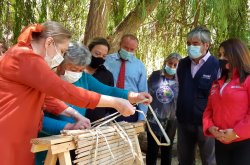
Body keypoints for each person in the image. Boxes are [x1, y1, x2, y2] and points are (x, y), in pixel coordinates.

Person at [0, 22, 140, 165]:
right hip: (9, 131)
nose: (61, 56)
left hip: (20, 133)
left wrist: (76, 115)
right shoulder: (25, 57)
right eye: (61, 51)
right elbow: (65, 90)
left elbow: (48, 99)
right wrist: (115, 103)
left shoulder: (24, 56)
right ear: (49, 42)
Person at [36, 42, 152, 165]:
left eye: (81, 70)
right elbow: (36, 119)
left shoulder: (83, 78)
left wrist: (134, 96)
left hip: (75, 142)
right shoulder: (45, 81)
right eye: (73, 69)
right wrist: (68, 127)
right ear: (60, 62)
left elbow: (108, 90)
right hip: (46, 143)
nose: (76, 73)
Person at [176, 26, 219, 165]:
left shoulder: (216, 66)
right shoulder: (182, 64)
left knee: (209, 160)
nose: (190, 47)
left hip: (206, 124)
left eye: (195, 44)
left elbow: (219, 97)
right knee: (184, 160)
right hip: (183, 121)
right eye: (188, 43)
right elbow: (178, 89)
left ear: (206, 45)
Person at [203, 38, 250, 165]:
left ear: (237, 54)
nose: (222, 58)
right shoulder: (217, 83)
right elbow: (209, 110)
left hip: (243, 143)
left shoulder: (247, 80)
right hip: (220, 141)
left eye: (225, 54)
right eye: (220, 55)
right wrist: (210, 127)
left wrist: (236, 133)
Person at [146, 53, 181, 165]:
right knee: (152, 149)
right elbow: (147, 92)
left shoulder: (181, 79)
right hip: (154, 118)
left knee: (167, 149)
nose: (172, 66)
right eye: (170, 63)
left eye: (175, 65)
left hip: (172, 119)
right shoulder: (155, 75)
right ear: (165, 62)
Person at [104, 34, 148, 122]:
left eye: (132, 49)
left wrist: (141, 118)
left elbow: (143, 92)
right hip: (108, 106)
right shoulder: (107, 61)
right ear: (120, 44)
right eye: (125, 47)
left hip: (130, 108)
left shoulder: (139, 66)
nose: (128, 51)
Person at [84, 37, 115, 122]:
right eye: (97, 53)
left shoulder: (107, 76)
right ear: (88, 51)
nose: (100, 58)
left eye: (104, 56)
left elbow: (110, 98)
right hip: (71, 123)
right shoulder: (74, 71)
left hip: (96, 125)